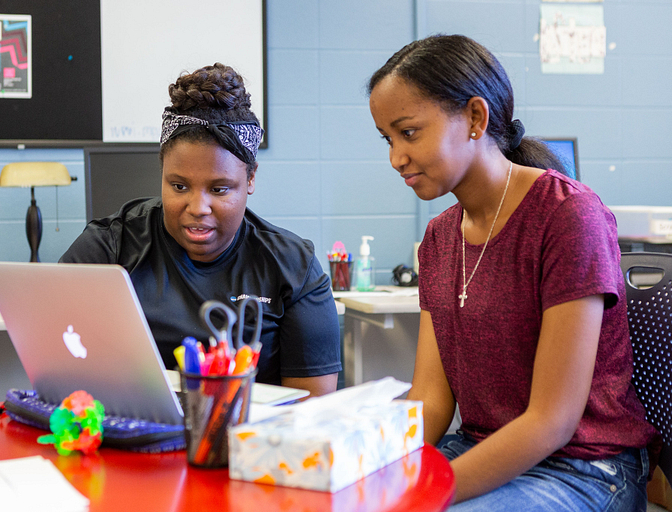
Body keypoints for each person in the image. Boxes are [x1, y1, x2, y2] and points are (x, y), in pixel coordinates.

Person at [368, 35, 659, 510]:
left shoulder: (568, 215)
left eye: (409, 132)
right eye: (388, 138)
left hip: (584, 467)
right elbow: (431, 401)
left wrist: (422, 491)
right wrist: (356, 459)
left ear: (476, 119)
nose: (396, 157)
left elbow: (553, 421)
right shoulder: (441, 238)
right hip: (482, 447)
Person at [61, 63, 340, 397]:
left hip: (246, 443)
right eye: (179, 186)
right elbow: (56, 365)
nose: (197, 208)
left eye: (220, 189)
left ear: (250, 180)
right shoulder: (109, 247)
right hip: (127, 437)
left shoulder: (294, 268)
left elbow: (312, 411)